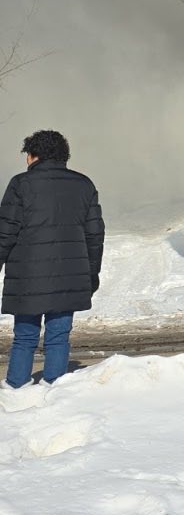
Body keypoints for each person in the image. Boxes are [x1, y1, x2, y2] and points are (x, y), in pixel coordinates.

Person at [0, 129, 105, 388]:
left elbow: (6, 231)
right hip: (70, 274)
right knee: (59, 335)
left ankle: (16, 387)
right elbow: (95, 235)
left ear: (34, 155)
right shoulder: (84, 185)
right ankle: (55, 388)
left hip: (28, 278)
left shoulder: (21, 184)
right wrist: (92, 274)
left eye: (27, 155)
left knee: (25, 336)